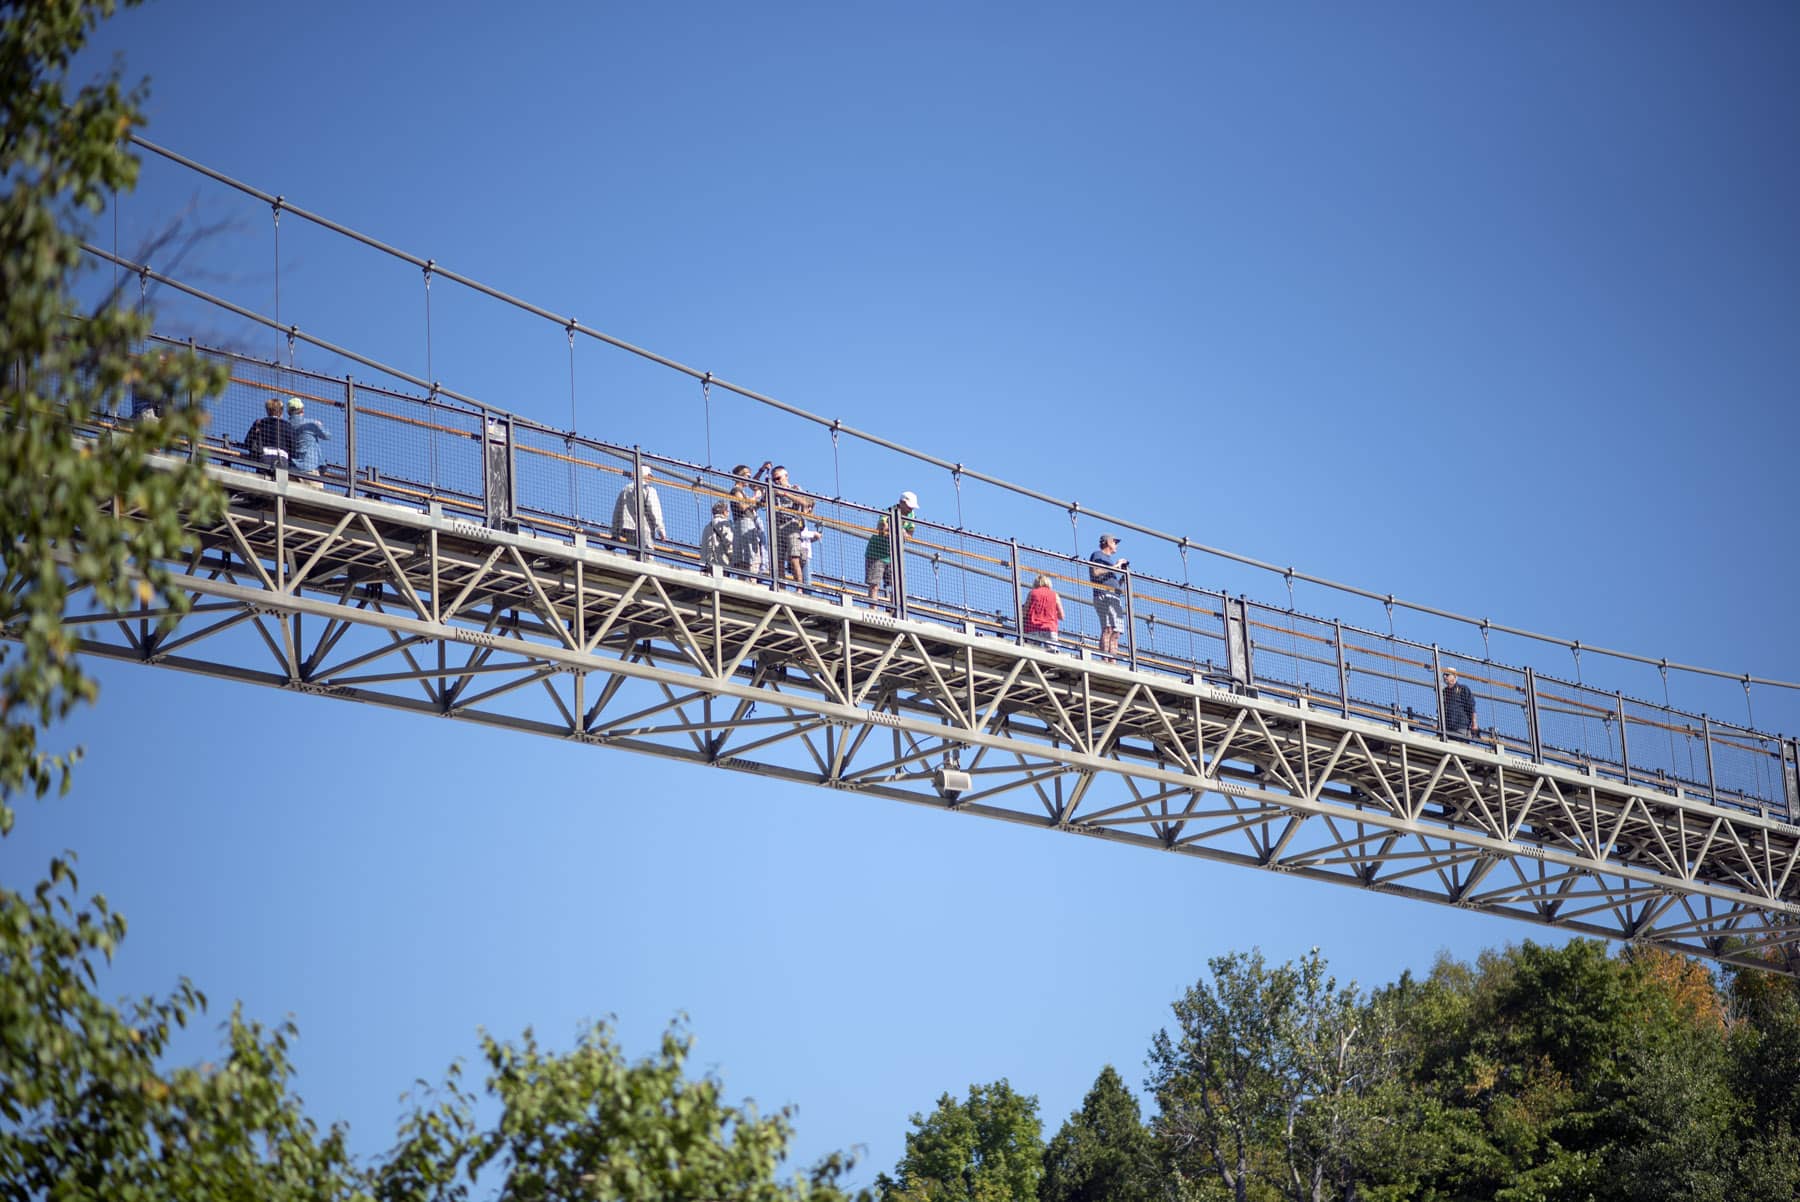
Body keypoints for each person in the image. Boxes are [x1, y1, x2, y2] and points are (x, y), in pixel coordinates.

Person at [1088, 534, 1128, 659]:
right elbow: (1095, 572)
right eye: (1114, 542)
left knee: (1116, 633)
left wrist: (1123, 578)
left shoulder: (1109, 562)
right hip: (1103, 594)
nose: (1116, 544)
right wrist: (1115, 566)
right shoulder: (1098, 555)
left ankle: (1113, 660)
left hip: (1115, 597)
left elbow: (1112, 581)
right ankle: (1105, 658)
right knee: (1108, 628)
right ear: (1106, 542)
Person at [611, 463, 668, 549]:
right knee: (646, 558)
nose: (651, 479)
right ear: (647, 475)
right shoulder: (648, 489)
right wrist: (661, 531)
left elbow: (617, 512)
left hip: (628, 530)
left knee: (633, 557)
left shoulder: (625, 490)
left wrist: (615, 533)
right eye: (650, 476)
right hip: (645, 531)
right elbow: (654, 511)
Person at [728, 463, 768, 575]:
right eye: (747, 476)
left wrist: (759, 503)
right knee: (749, 555)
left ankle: (750, 577)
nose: (749, 479)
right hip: (745, 524)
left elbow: (748, 507)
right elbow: (742, 506)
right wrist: (756, 497)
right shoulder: (736, 490)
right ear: (740, 476)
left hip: (748, 523)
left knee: (748, 555)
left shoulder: (742, 492)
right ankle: (751, 579)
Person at [242, 395, 295, 471]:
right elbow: (293, 448)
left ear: (267, 410)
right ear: (281, 411)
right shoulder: (287, 426)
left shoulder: (259, 423)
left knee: (262, 480)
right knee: (281, 482)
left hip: (264, 457)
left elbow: (247, 442)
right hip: (282, 459)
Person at [286, 396, 331, 482]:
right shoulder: (310, 424)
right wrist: (319, 425)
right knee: (317, 494)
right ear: (302, 410)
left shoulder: (286, 426)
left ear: (288, 412)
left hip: (292, 469)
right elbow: (327, 436)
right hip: (310, 468)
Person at [1023, 573, 1065, 650]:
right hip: (1050, 628)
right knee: (1052, 655)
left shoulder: (1032, 593)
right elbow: (1062, 616)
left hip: (1033, 628)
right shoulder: (1055, 595)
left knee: (1032, 653)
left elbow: (1024, 612)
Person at [1441, 667, 1478, 740]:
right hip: (1446, 728)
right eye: (1444, 675)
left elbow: (1471, 707)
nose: (1445, 676)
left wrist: (1474, 724)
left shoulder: (1463, 689)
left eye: (1447, 674)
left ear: (1454, 677)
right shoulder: (1444, 692)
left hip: (1460, 727)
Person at [699, 500, 735, 571]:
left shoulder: (707, 527)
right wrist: (733, 558)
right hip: (720, 564)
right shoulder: (724, 523)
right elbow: (729, 541)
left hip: (706, 565)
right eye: (728, 511)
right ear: (724, 512)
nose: (728, 514)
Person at [864, 514, 893, 602]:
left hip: (892, 555)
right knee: (874, 585)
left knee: (895, 587)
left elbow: (909, 536)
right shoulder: (887, 512)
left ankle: (893, 611)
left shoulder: (910, 516)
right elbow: (882, 528)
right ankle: (873, 610)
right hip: (876, 554)